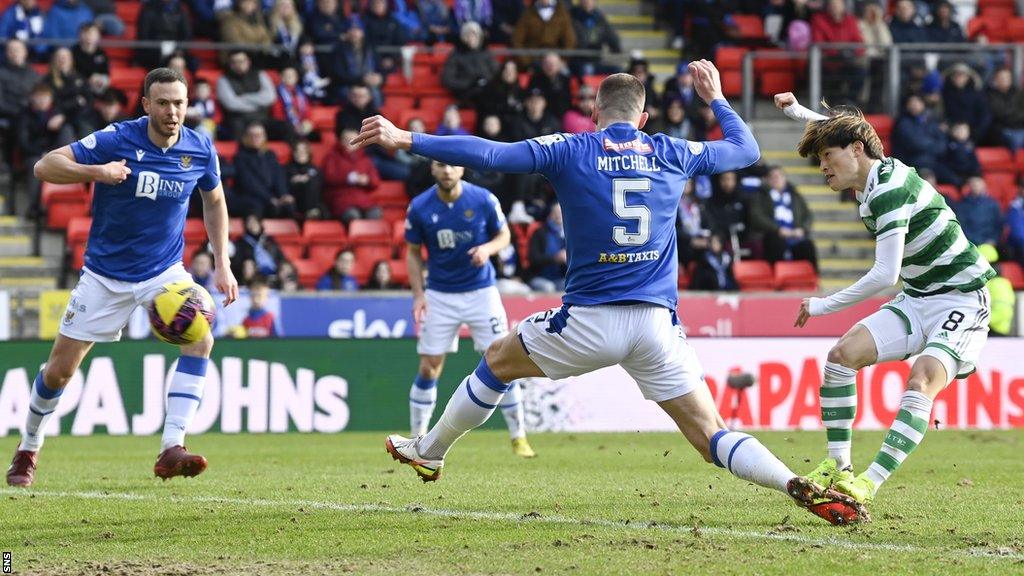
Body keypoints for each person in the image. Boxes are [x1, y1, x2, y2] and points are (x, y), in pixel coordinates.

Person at [353, 63, 864, 525]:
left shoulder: (570, 148)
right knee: (711, 436)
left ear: (593, 114)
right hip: (656, 327)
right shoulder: (672, 151)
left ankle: (432, 449)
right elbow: (747, 150)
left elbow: (489, 154)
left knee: (496, 360)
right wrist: (716, 98)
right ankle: (792, 482)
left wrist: (406, 138)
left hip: (589, 321)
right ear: (643, 119)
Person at [6, 68, 239, 488]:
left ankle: (172, 447)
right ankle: (28, 446)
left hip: (164, 271)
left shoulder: (200, 147)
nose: (172, 111)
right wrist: (97, 173)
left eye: (180, 103)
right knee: (59, 372)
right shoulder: (117, 139)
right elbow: (45, 166)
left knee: (202, 338)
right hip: (104, 276)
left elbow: (215, 200)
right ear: (146, 104)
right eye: (164, 103)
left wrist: (222, 260)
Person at [776, 92, 995, 516]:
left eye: (826, 156)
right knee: (841, 357)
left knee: (921, 380)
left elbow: (884, 274)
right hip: (918, 297)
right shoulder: (875, 177)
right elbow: (849, 129)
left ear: (857, 151)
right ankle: (839, 470)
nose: (822, 166)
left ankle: (866, 485)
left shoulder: (887, 190)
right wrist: (797, 113)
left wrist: (822, 305)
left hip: (962, 298)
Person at [403, 159, 535, 457]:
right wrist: (418, 295)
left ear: (462, 169)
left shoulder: (483, 199)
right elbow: (412, 254)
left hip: (481, 293)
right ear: (433, 170)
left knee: (506, 362)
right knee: (429, 366)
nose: (447, 170)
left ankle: (519, 437)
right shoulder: (420, 207)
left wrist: (487, 249)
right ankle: (417, 438)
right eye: (440, 165)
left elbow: (504, 236)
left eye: (453, 165)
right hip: (440, 295)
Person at [232, 122, 293, 218]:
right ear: (246, 138)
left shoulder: (270, 155)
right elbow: (249, 183)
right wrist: (270, 198)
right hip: (254, 197)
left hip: (272, 196)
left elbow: (278, 176)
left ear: (265, 137)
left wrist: (283, 195)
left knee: (289, 205)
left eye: (259, 135)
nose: (255, 138)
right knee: (261, 206)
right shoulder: (241, 157)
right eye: (252, 135)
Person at [322, 126, 381, 222]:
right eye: (346, 140)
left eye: (353, 140)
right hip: (341, 200)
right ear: (340, 141)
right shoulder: (332, 157)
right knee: (353, 215)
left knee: (375, 213)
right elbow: (328, 177)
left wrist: (367, 180)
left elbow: (376, 182)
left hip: (363, 200)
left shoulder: (365, 158)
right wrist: (347, 178)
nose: (350, 143)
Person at [527, 202, 566, 292]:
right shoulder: (540, 232)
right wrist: (555, 259)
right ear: (551, 214)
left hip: (559, 277)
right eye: (556, 213)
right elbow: (533, 258)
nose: (559, 216)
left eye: (561, 213)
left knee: (571, 285)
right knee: (548, 287)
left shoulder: (567, 235)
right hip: (539, 277)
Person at [954, 177, 1003, 250]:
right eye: (973, 185)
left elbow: (998, 225)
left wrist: (993, 239)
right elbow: (962, 226)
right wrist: (977, 242)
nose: (975, 187)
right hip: (970, 244)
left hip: (990, 243)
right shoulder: (962, 205)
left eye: (978, 185)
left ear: (984, 186)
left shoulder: (993, 204)